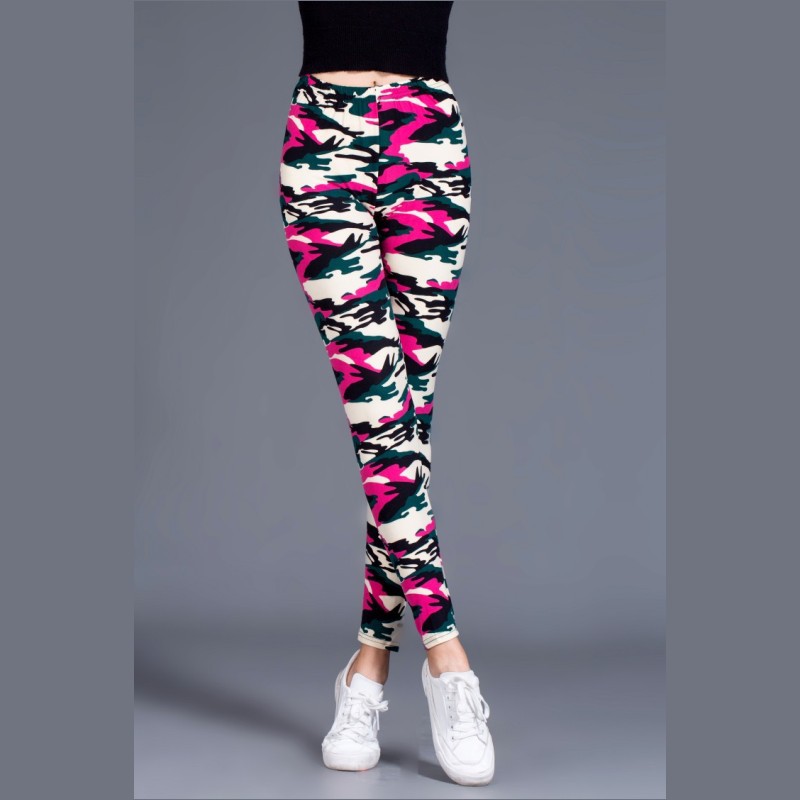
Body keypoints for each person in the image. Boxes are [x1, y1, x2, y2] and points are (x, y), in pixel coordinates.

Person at [278, 1, 494, 785]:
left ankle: (367, 670)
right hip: (322, 144)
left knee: (403, 431)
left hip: (428, 139)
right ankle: (447, 653)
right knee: (383, 424)